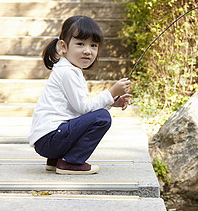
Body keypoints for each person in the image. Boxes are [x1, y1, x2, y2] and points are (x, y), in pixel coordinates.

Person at [28, 15, 131, 175]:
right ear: (64, 46)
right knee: (102, 118)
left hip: (48, 140)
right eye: (80, 44)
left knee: (98, 115)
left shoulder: (69, 70)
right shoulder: (67, 72)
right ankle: (71, 162)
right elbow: (84, 108)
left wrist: (111, 101)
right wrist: (111, 92)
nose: (87, 50)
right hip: (50, 139)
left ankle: (56, 160)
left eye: (93, 45)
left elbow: (80, 109)